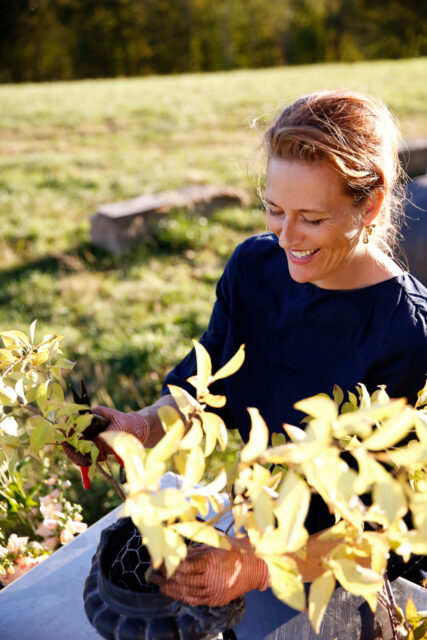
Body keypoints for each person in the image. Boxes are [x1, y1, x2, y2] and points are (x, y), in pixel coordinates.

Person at [68, 90, 427, 608]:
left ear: (369, 204)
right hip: (256, 523)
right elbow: (205, 388)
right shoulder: (255, 269)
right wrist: (138, 428)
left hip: (356, 584)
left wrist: (257, 565)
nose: (286, 238)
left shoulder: (408, 336)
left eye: (312, 218)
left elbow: (384, 534)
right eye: (274, 209)